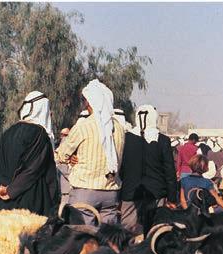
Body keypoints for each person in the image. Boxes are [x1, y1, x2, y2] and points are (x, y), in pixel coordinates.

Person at [57, 79, 125, 225]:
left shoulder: (83, 126)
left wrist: (71, 158)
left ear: (88, 102)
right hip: (111, 191)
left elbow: (61, 154)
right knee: (107, 238)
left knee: (83, 237)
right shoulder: (119, 128)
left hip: (85, 190)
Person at [0, 92, 59, 216]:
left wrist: (3, 186)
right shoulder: (40, 134)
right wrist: (11, 190)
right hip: (31, 201)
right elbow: (33, 170)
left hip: (6, 202)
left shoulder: (8, 132)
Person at [120, 104, 177, 234]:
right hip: (156, 192)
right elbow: (169, 171)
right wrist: (172, 198)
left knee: (128, 229)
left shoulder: (126, 138)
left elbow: (122, 167)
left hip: (131, 192)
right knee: (154, 229)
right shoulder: (163, 140)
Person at [55, 127, 72, 214]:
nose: (63, 137)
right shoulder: (59, 148)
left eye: (65, 135)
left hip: (70, 189)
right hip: (65, 189)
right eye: (61, 135)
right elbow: (60, 165)